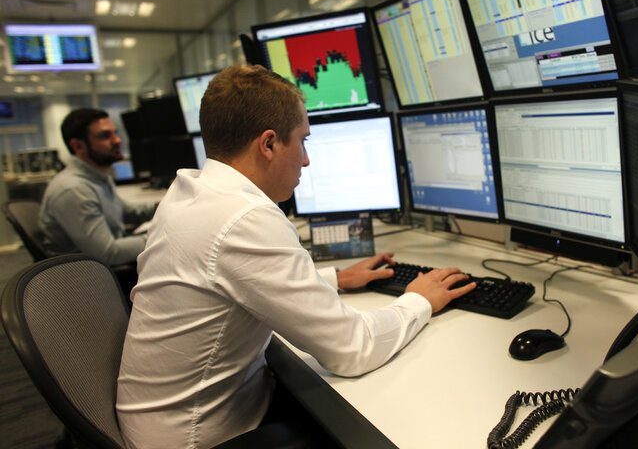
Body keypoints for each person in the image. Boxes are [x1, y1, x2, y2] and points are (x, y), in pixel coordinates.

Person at [116, 64, 477, 449]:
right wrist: (420, 299)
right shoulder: (245, 219)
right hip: (197, 439)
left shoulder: (191, 192)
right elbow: (352, 348)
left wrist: (336, 279)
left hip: (157, 423)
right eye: (302, 141)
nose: (306, 160)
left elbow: (232, 283)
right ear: (268, 144)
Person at [38, 108, 155, 268]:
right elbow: (108, 253)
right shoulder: (74, 190)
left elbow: (129, 212)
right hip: (85, 281)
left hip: (102, 269)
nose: (117, 140)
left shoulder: (97, 177)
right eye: (105, 136)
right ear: (78, 146)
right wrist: (160, 238)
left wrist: (166, 206)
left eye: (115, 133)